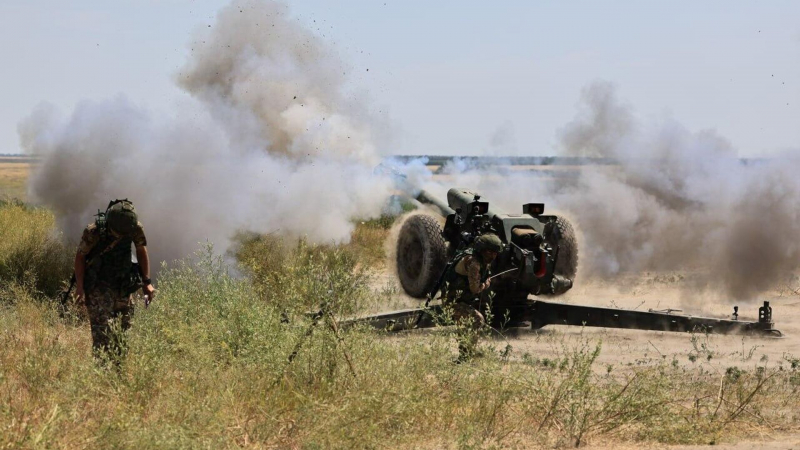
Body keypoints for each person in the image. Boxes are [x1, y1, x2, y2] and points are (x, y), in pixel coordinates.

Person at [74, 199, 156, 362]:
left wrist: (147, 282)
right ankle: (102, 376)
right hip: (98, 287)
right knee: (102, 336)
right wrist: (80, 287)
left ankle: (118, 374)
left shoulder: (134, 227)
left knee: (122, 334)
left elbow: (141, 250)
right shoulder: (94, 231)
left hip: (123, 286)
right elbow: (80, 256)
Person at [440, 232, 503, 362]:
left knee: (467, 325)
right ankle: (466, 356)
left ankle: (466, 353)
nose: (493, 256)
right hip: (452, 302)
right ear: (482, 250)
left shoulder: (481, 261)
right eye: (490, 252)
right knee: (477, 319)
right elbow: (475, 289)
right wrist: (486, 284)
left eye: (495, 253)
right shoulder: (474, 263)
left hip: (462, 300)